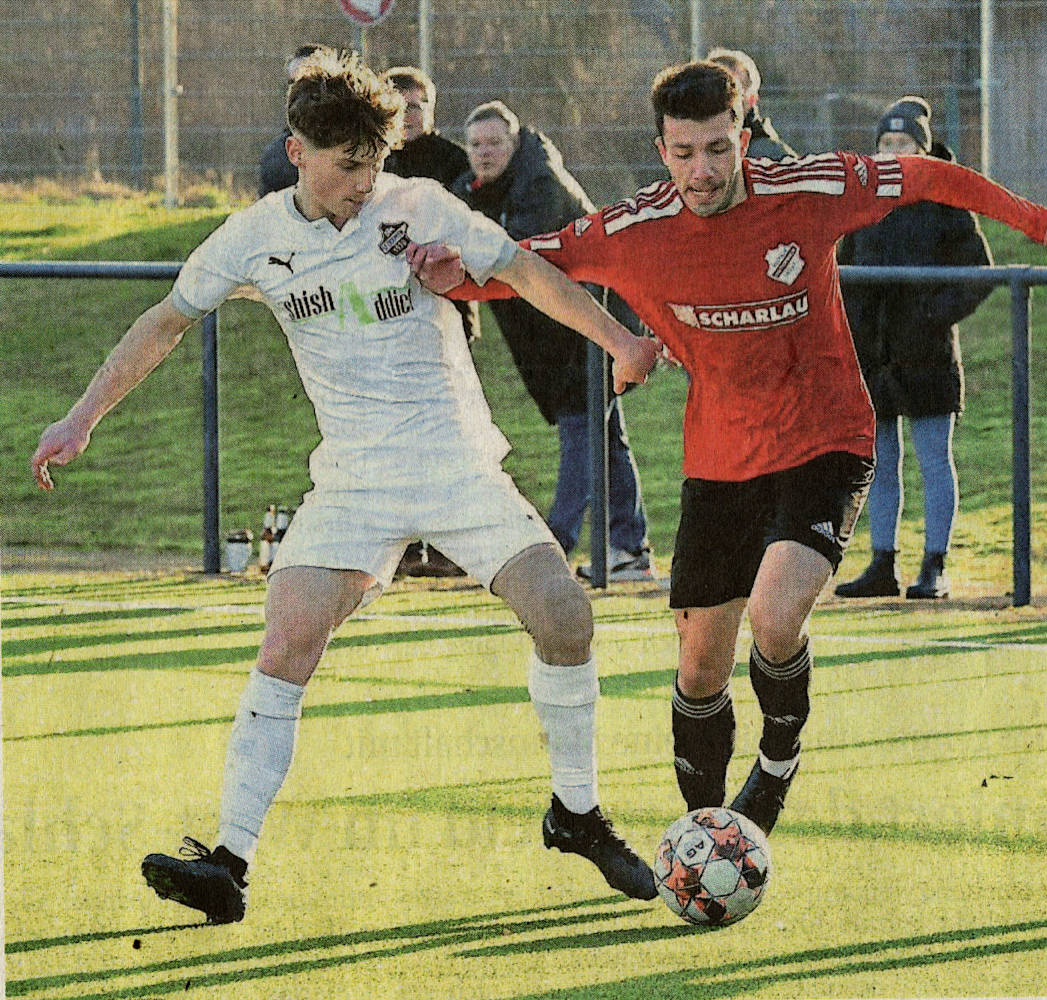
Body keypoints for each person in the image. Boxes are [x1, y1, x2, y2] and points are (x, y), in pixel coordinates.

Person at [30, 49, 662, 925]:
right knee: (287, 639)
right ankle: (228, 864)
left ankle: (578, 815)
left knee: (566, 617)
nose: (364, 185)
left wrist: (616, 341)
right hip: (355, 483)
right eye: (345, 167)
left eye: (375, 163)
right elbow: (165, 323)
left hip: (455, 466)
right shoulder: (255, 236)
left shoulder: (420, 205)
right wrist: (83, 416)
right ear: (297, 151)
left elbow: (524, 271)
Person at [417, 61, 1047, 836]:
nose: (701, 171)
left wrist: (1038, 222)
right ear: (659, 148)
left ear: (743, 136)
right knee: (699, 665)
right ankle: (705, 832)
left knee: (775, 619)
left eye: (716, 148)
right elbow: (529, 265)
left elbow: (924, 175)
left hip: (826, 438)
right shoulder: (632, 230)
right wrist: (452, 277)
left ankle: (776, 763)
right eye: (682, 152)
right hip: (720, 459)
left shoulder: (806, 188)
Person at [452, 100, 654, 581]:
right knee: (606, 438)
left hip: (593, 324)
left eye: (494, 142)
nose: (484, 153)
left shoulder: (541, 184)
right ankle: (630, 549)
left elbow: (509, 254)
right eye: (475, 145)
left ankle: (554, 544)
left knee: (583, 432)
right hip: (558, 336)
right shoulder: (477, 190)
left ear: (515, 142)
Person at [835, 97, 994, 600]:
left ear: (923, 150)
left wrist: (932, 314)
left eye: (903, 143)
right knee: (879, 463)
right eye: (886, 143)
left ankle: (936, 564)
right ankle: (882, 562)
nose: (893, 152)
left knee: (932, 458)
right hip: (874, 359)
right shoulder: (862, 202)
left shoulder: (948, 201)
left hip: (926, 355)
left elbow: (979, 272)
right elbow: (842, 272)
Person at [382, 64, 478, 579]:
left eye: (416, 105)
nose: (409, 115)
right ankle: (398, 544)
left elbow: (464, 228)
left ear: (431, 108)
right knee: (395, 433)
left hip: (443, 310)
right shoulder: (372, 161)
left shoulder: (450, 161)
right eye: (399, 105)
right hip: (382, 313)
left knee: (447, 430)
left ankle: (449, 545)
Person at [257, 44, 327, 197]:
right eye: (293, 85)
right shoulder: (277, 158)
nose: (302, 95)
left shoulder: (364, 151)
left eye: (312, 84)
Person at [706, 47, 797, 160]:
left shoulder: (772, 157)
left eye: (731, 92)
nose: (718, 99)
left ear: (752, 99)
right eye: (710, 89)